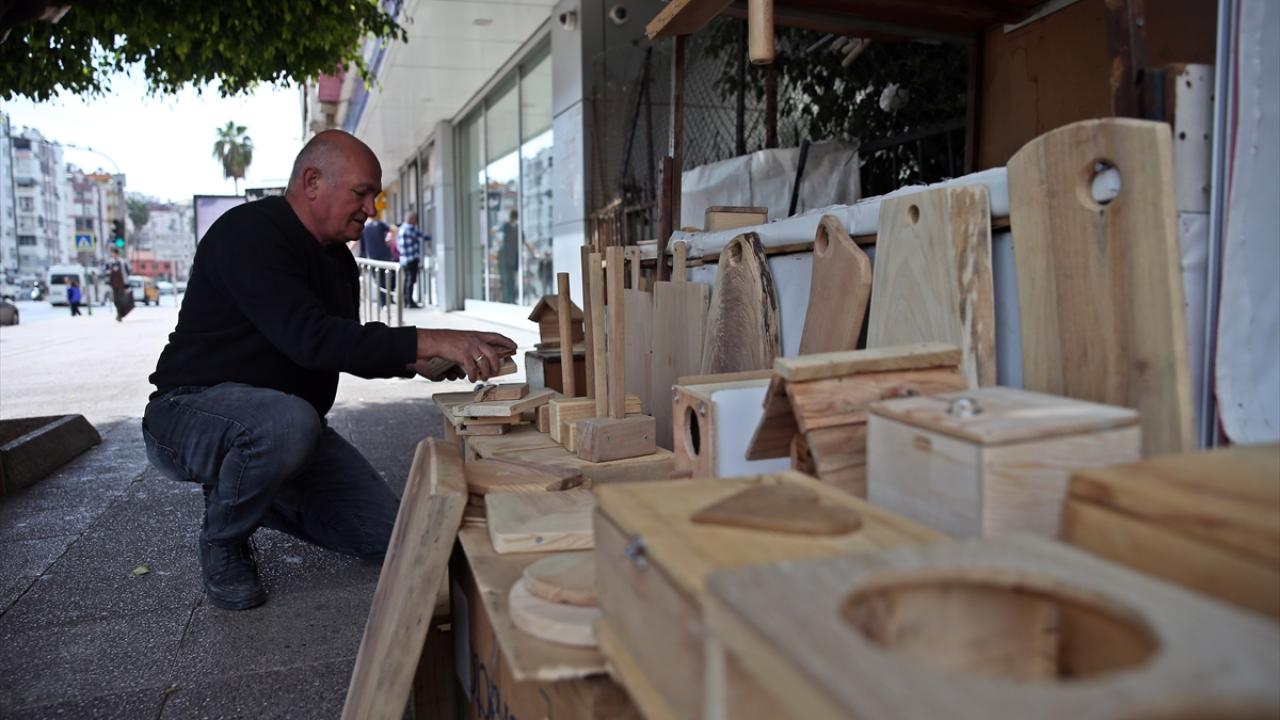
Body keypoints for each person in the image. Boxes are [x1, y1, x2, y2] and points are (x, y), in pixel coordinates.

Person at [142, 130, 516, 611]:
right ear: (312, 181)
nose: (371, 209)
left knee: (388, 535)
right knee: (286, 424)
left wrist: (415, 360)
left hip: (283, 428)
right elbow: (310, 338)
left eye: (375, 196)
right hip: (189, 412)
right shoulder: (249, 233)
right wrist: (432, 335)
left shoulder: (339, 262)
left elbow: (342, 344)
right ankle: (223, 537)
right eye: (362, 193)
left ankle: (254, 486)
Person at [397, 211, 425, 308]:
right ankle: (410, 302)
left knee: (407, 281)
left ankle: (406, 301)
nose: (416, 222)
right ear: (412, 219)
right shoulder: (409, 229)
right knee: (411, 281)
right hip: (411, 258)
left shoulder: (401, 229)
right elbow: (422, 236)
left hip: (404, 259)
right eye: (415, 219)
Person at [104, 247, 132, 321]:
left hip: (121, 284)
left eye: (114, 253)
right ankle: (119, 313)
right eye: (112, 253)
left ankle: (120, 314)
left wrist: (127, 284)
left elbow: (126, 273)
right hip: (113, 285)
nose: (113, 255)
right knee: (115, 300)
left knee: (120, 299)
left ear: (117, 254)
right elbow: (107, 273)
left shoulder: (122, 262)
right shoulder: (109, 263)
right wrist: (107, 282)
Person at [497, 209, 519, 303]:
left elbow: (494, 231)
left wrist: (501, 245)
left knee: (508, 282)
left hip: (508, 260)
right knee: (509, 281)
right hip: (508, 259)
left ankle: (509, 301)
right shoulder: (510, 227)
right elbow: (525, 242)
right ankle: (509, 301)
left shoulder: (511, 227)